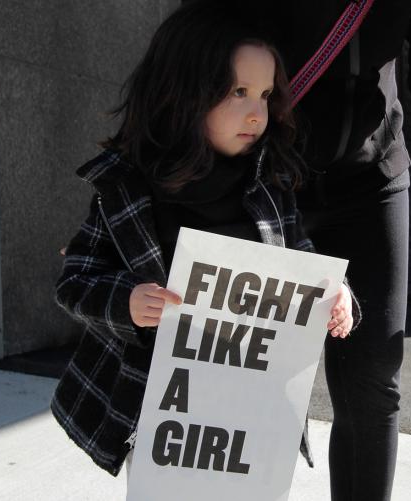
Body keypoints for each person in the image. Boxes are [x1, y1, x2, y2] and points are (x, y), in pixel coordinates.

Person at [51, 1, 357, 476]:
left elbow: (302, 259)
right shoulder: (129, 189)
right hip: (160, 410)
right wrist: (127, 303)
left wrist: (335, 295)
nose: (257, 113)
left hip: (249, 404)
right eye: (239, 91)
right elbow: (75, 281)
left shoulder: (270, 183)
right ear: (186, 92)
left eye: (265, 94)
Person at [244, 1, 411, 500]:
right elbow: (201, 33)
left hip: (370, 176)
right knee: (240, 378)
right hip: (260, 170)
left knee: (372, 384)